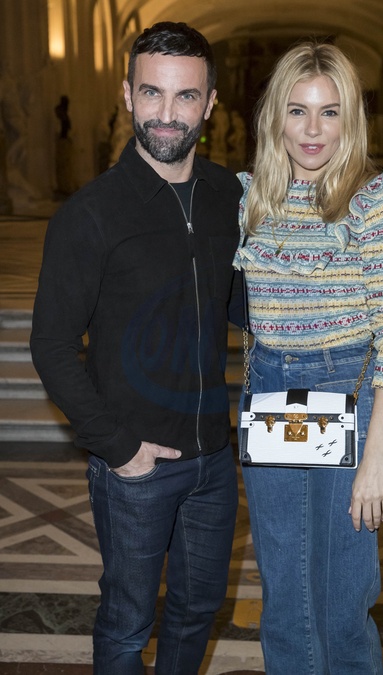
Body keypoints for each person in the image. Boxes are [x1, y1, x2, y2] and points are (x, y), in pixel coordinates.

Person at [30, 22, 243, 675]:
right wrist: (118, 448)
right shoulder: (90, 213)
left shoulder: (228, 197)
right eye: (152, 93)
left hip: (214, 458)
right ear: (127, 95)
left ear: (210, 103)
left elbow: (241, 307)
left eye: (186, 96)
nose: (167, 113)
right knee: (127, 624)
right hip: (137, 465)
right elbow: (52, 345)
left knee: (197, 608)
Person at [233, 41, 383, 674]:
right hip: (270, 393)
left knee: (342, 598)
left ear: (350, 120)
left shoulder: (371, 202)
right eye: (298, 110)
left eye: (329, 111)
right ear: (276, 118)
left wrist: (376, 460)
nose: (313, 130)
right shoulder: (255, 200)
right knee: (284, 597)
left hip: (351, 393)